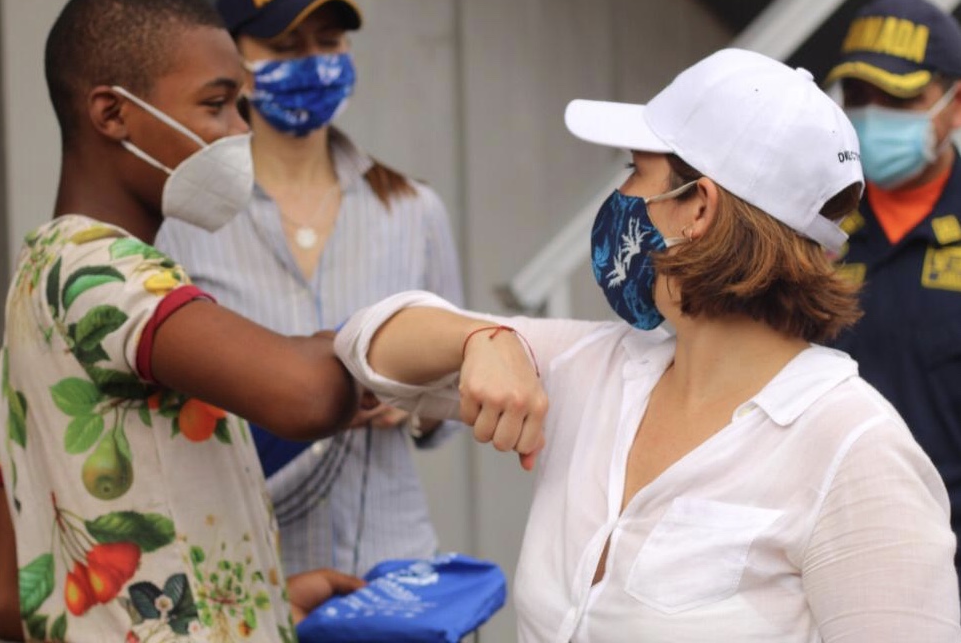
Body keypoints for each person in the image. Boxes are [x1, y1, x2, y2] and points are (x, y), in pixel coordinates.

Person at [334, 48, 960, 641]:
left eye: (636, 169)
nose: (621, 196)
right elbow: (370, 341)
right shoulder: (599, 367)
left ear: (700, 209)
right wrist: (481, 338)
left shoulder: (854, 452)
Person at [0, 0, 538, 642]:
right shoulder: (102, 275)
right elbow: (303, 393)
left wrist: (252, 596)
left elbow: (6, 594)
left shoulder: (41, 270)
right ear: (112, 114)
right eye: (216, 105)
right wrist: (459, 339)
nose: (239, 130)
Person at [156, 0, 464, 577]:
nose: (311, 62)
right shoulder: (181, 223)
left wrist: (415, 399)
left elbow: (455, 396)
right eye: (282, 45)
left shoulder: (412, 208)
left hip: (393, 568)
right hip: (247, 573)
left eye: (328, 42)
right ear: (231, 61)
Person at [823, 0, 961, 582]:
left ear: (955, 105)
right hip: (824, 559)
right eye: (859, 97)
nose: (873, 114)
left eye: (900, 97)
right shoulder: (813, 229)